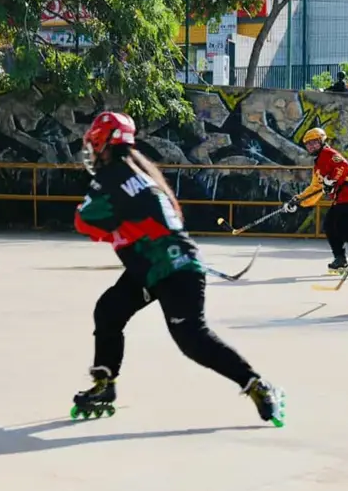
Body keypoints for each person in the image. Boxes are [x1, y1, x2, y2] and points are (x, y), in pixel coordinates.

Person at [71, 111, 286, 427]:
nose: (92, 149)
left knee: (192, 338)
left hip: (170, 269)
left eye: (95, 143)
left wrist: (111, 228)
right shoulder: (140, 174)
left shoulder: (112, 177)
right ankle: (105, 384)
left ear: (105, 143)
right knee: (109, 311)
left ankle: (257, 384)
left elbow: (83, 220)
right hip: (153, 267)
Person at [283, 127, 348, 275]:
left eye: (314, 142)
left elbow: (342, 165)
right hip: (341, 197)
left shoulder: (328, 153)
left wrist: (332, 180)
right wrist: (298, 201)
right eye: (308, 144)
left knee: (343, 226)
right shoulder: (318, 164)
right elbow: (315, 187)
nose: (311, 146)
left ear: (322, 141)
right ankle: (340, 259)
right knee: (330, 225)